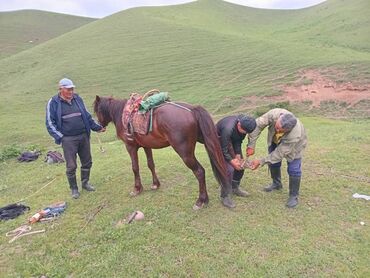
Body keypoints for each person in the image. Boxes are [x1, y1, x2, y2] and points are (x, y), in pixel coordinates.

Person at [46, 78, 105, 199]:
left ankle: (85, 183)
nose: (71, 91)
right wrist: (61, 137)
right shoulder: (53, 102)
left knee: (87, 161)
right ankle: (74, 189)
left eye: (72, 89)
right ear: (61, 89)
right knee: (71, 165)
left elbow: (87, 116)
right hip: (68, 139)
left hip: (83, 136)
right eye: (68, 89)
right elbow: (49, 123)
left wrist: (97, 127)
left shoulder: (78, 99)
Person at [248, 108, 307, 208]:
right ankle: (276, 183)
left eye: (281, 130)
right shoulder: (273, 114)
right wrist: (251, 145)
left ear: (288, 130)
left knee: (294, 169)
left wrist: (261, 161)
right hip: (275, 141)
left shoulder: (294, 134)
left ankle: (293, 196)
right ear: (279, 119)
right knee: (273, 162)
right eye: (277, 127)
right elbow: (257, 125)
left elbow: (279, 153)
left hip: (295, 146)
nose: (277, 130)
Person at [216, 115, 257, 208]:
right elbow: (224, 149)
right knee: (229, 170)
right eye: (244, 131)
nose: (245, 133)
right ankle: (225, 196)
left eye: (246, 132)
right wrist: (231, 160)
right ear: (239, 123)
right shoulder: (227, 129)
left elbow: (238, 140)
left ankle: (235, 187)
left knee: (241, 165)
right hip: (220, 141)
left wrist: (238, 154)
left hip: (231, 142)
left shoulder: (245, 126)